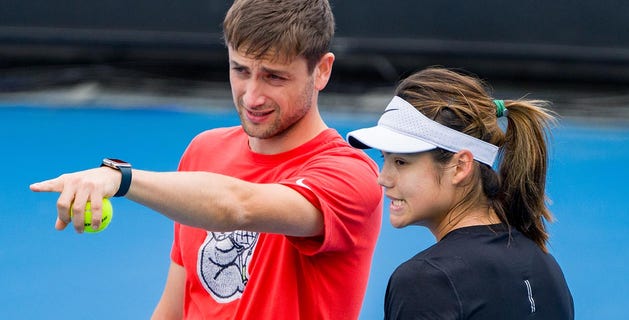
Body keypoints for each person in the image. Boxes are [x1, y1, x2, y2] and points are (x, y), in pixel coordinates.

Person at [29, 0, 383, 319]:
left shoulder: (351, 176)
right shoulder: (204, 150)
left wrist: (120, 179)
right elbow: (177, 305)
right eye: (241, 70)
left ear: (322, 70)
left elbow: (236, 206)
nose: (252, 96)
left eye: (274, 76)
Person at [347, 67, 574, 319]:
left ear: (460, 166)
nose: (383, 178)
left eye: (401, 162)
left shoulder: (425, 280)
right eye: (384, 159)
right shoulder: (546, 267)